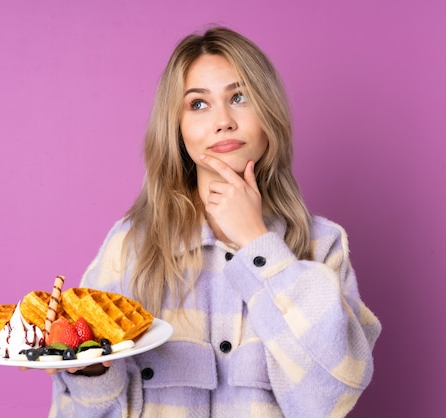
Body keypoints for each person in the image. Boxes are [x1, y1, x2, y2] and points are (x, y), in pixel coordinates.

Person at [47, 26, 381, 417]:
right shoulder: (132, 247)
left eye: (239, 97)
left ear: (268, 112)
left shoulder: (321, 245)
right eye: (199, 104)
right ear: (178, 128)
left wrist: (258, 244)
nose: (223, 121)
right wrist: (90, 374)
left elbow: (330, 397)